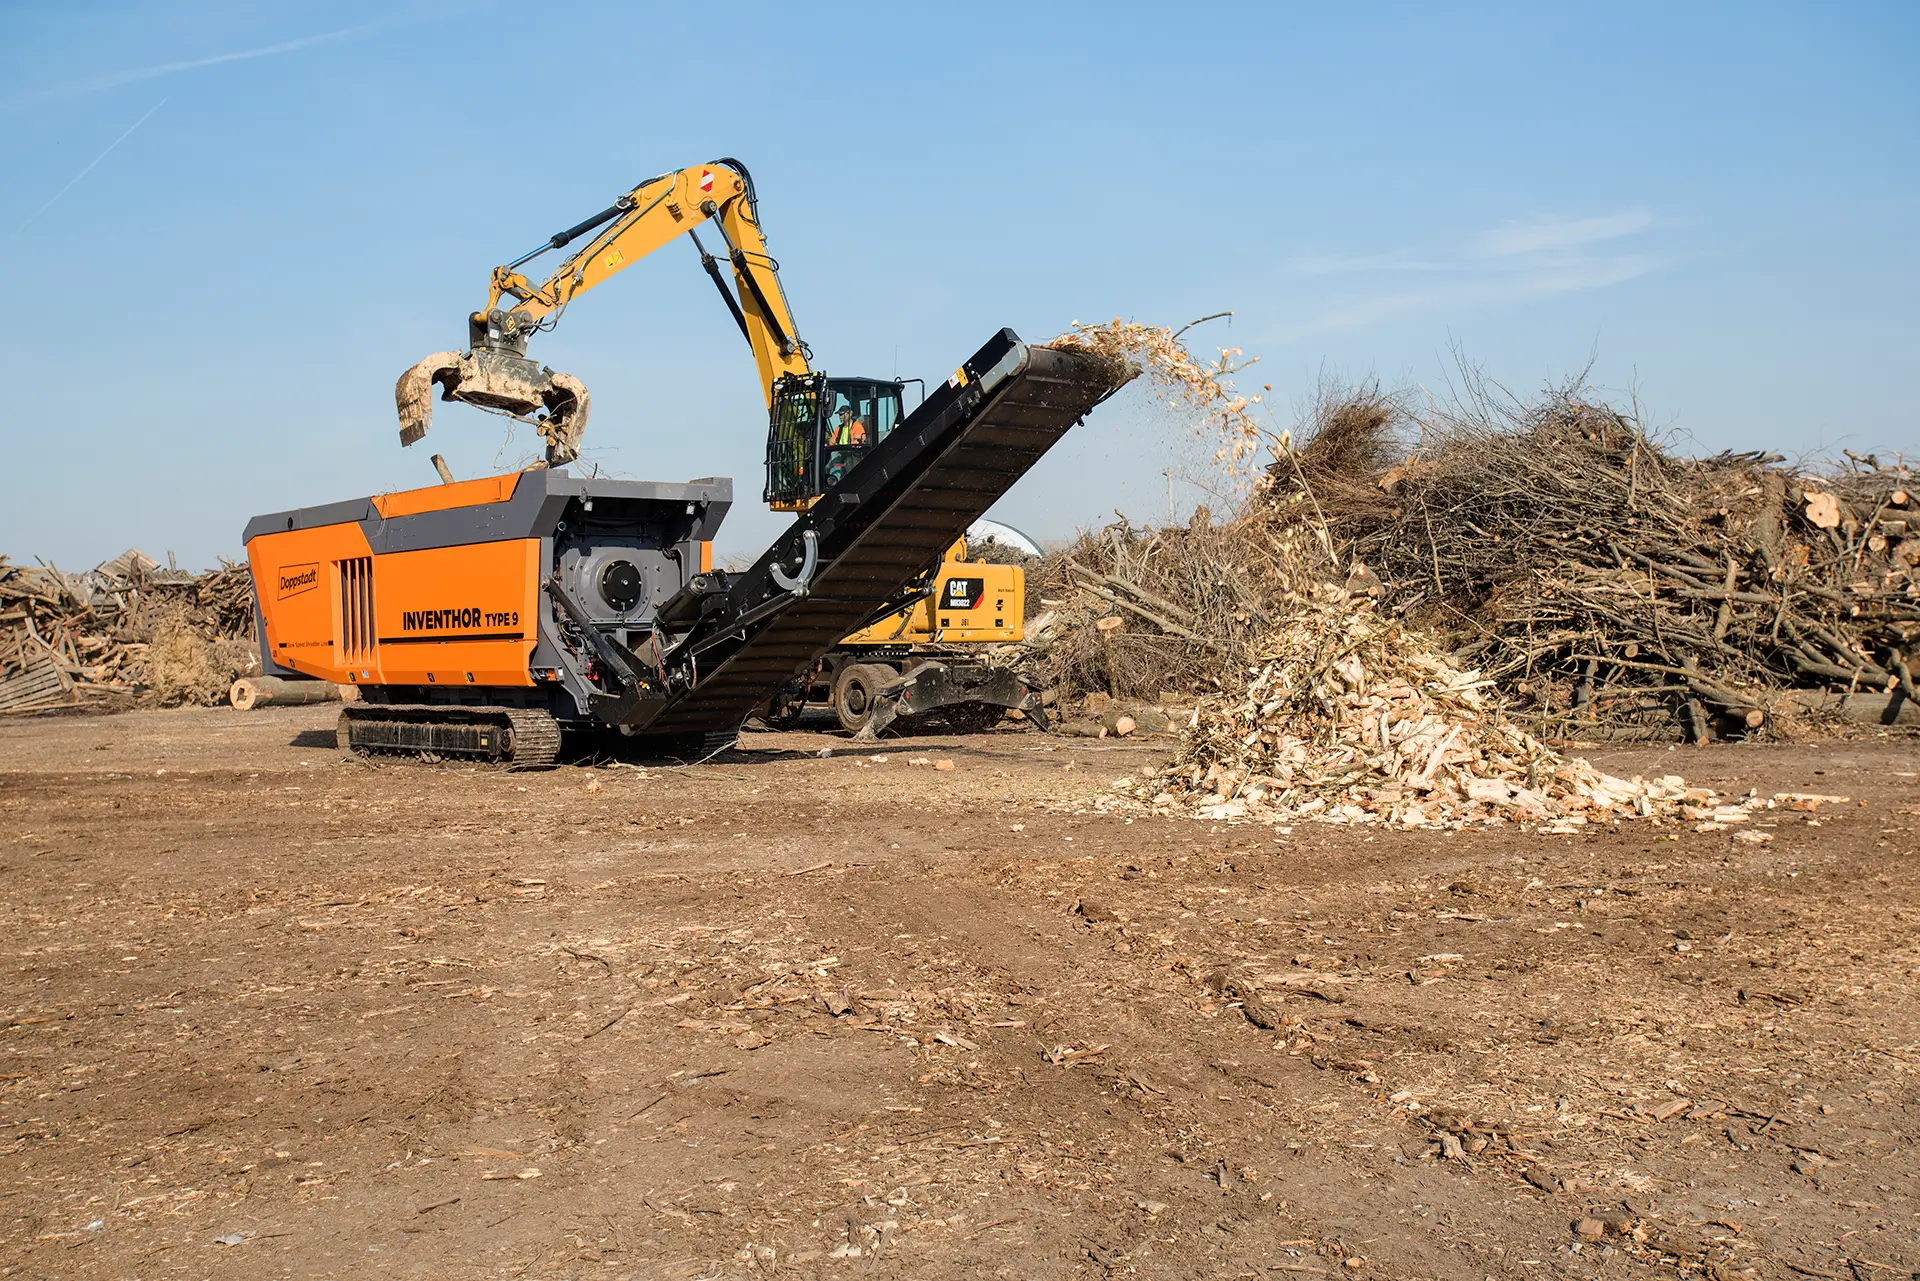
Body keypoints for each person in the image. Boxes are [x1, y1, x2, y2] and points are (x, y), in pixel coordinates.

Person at [824, 404, 868, 484]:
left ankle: (834, 480)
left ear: (850, 414)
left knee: (834, 455)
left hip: (852, 453)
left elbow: (859, 442)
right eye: (839, 415)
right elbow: (832, 442)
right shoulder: (839, 428)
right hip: (841, 453)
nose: (840, 417)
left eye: (842, 414)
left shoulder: (857, 426)